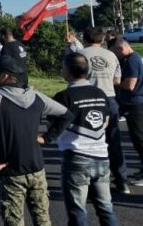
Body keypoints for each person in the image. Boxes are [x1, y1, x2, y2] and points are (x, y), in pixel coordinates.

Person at [0, 56, 72, 226]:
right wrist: (47, 137)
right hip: (37, 167)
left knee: (14, 220)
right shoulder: (36, 96)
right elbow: (66, 115)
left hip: (10, 169)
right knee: (42, 218)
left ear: (5, 76)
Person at [46, 53, 118, 226]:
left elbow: (54, 123)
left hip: (77, 157)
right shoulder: (100, 93)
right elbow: (106, 121)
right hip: (101, 157)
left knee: (78, 211)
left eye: (63, 67)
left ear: (69, 72)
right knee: (106, 208)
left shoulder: (63, 97)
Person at [70, 27, 131, 193]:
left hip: (86, 98)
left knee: (87, 141)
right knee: (113, 140)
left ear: (85, 38)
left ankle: (90, 182)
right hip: (109, 98)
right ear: (102, 40)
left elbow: (70, 76)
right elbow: (117, 80)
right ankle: (122, 181)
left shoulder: (80, 54)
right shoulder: (111, 55)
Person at [110, 38, 143, 188]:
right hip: (136, 103)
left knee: (139, 139)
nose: (116, 55)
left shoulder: (131, 61)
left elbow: (130, 85)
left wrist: (115, 82)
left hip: (135, 104)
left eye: (115, 52)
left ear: (121, 49)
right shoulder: (136, 58)